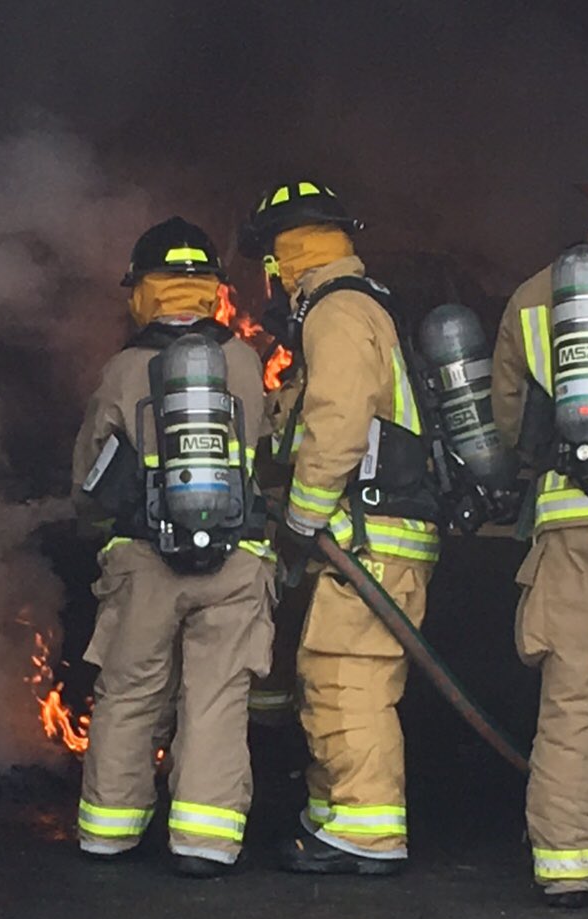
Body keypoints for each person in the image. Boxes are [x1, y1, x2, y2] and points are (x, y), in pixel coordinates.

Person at [239, 181, 440, 874]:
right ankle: (336, 815)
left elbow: (338, 422)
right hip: (368, 531)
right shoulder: (351, 306)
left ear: (283, 261)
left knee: (349, 676)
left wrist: (301, 517)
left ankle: (365, 830)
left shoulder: (337, 311)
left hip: (370, 533)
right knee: (326, 672)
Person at [72, 217, 275, 878]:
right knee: (216, 696)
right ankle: (204, 841)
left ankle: (109, 831)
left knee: (131, 690)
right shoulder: (244, 360)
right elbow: (267, 452)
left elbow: (89, 475)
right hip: (236, 558)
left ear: (143, 290)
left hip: (143, 560)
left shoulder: (125, 368)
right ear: (213, 288)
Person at [492, 154, 588, 909]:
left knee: (576, 699)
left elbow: (511, 419)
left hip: (568, 524)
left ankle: (569, 864)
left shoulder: (537, 293)